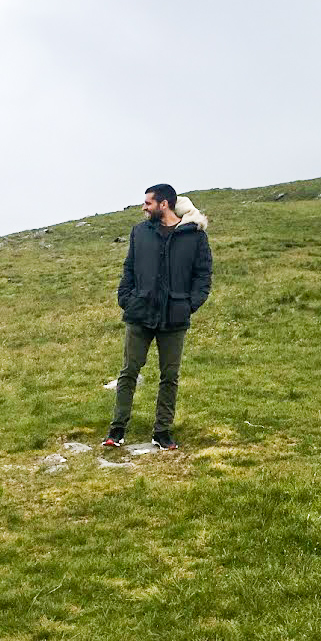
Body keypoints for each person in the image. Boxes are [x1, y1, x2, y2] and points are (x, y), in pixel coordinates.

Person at [103, 184, 212, 450]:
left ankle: (162, 432)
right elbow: (129, 268)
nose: (143, 207)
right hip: (140, 313)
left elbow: (203, 275)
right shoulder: (140, 232)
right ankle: (117, 430)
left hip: (174, 317)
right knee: (129, 372)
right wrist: (126, 298)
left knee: (169, 376)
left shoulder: (195, 236)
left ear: (164, 204)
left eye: (148, 203)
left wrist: (189, 305)